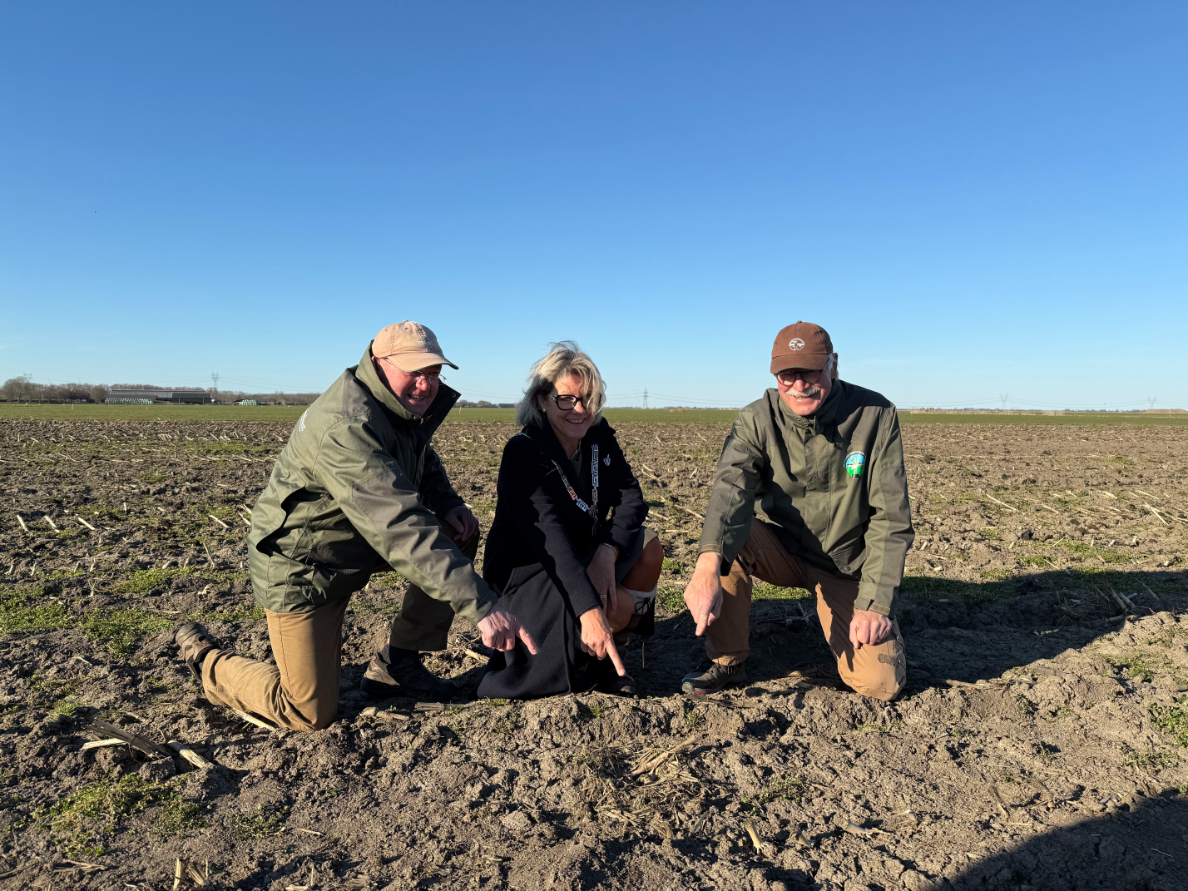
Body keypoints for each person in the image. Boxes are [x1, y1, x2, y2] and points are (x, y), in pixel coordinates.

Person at [173, 321, 536, 731]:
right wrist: (484, 606)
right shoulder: (346, 425)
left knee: (457, 534)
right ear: (378, 364)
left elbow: (420, 456)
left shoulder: (394, 407)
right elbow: (400, 527)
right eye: (414, 372)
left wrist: (447, 502)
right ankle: (207, 661)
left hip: (354, 544)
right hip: (305, 567)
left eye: (433, 373)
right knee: (307, 713)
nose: (426, 384)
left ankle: (399, 665)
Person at [681, 321, 913, 701]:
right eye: (788, 375)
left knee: (879, 685)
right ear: (775, 376)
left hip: (847, 564)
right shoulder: (757, 419)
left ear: (833, 365)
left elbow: (891, 518)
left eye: (810, 372)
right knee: (727, 544)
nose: (799, 385)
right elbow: (730, 494)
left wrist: (874, 605)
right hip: (784, 549)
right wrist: (706, 565)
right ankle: (728, 661)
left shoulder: (874, 415)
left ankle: (871, 624)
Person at [476, 343, 663, 699]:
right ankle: (589, 645)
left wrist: (607, 552)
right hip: (531, 571)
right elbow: (551, 539)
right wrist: (590, 609)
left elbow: (631, 497)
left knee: (649, 547)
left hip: (584, 551)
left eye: (589, 398)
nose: (580, 410)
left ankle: (602, 658)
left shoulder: (599, 438)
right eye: (567, 399)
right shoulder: (523, 452)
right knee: (616, 606)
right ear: (542, 400)